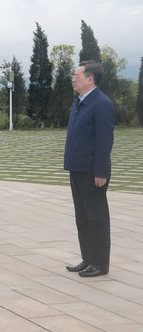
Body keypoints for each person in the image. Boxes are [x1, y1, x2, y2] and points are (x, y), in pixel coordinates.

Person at [64, 61, 114, 278]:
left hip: (93, 170)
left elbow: (104, 140)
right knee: (82, 217)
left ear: (90, 79)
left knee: (96, 217)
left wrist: (100, 171)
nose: (73, 79)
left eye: (77, 75)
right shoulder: (80, 101)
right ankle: (88, 258)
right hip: (77, 168)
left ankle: (100, 263)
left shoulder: (101, 103)